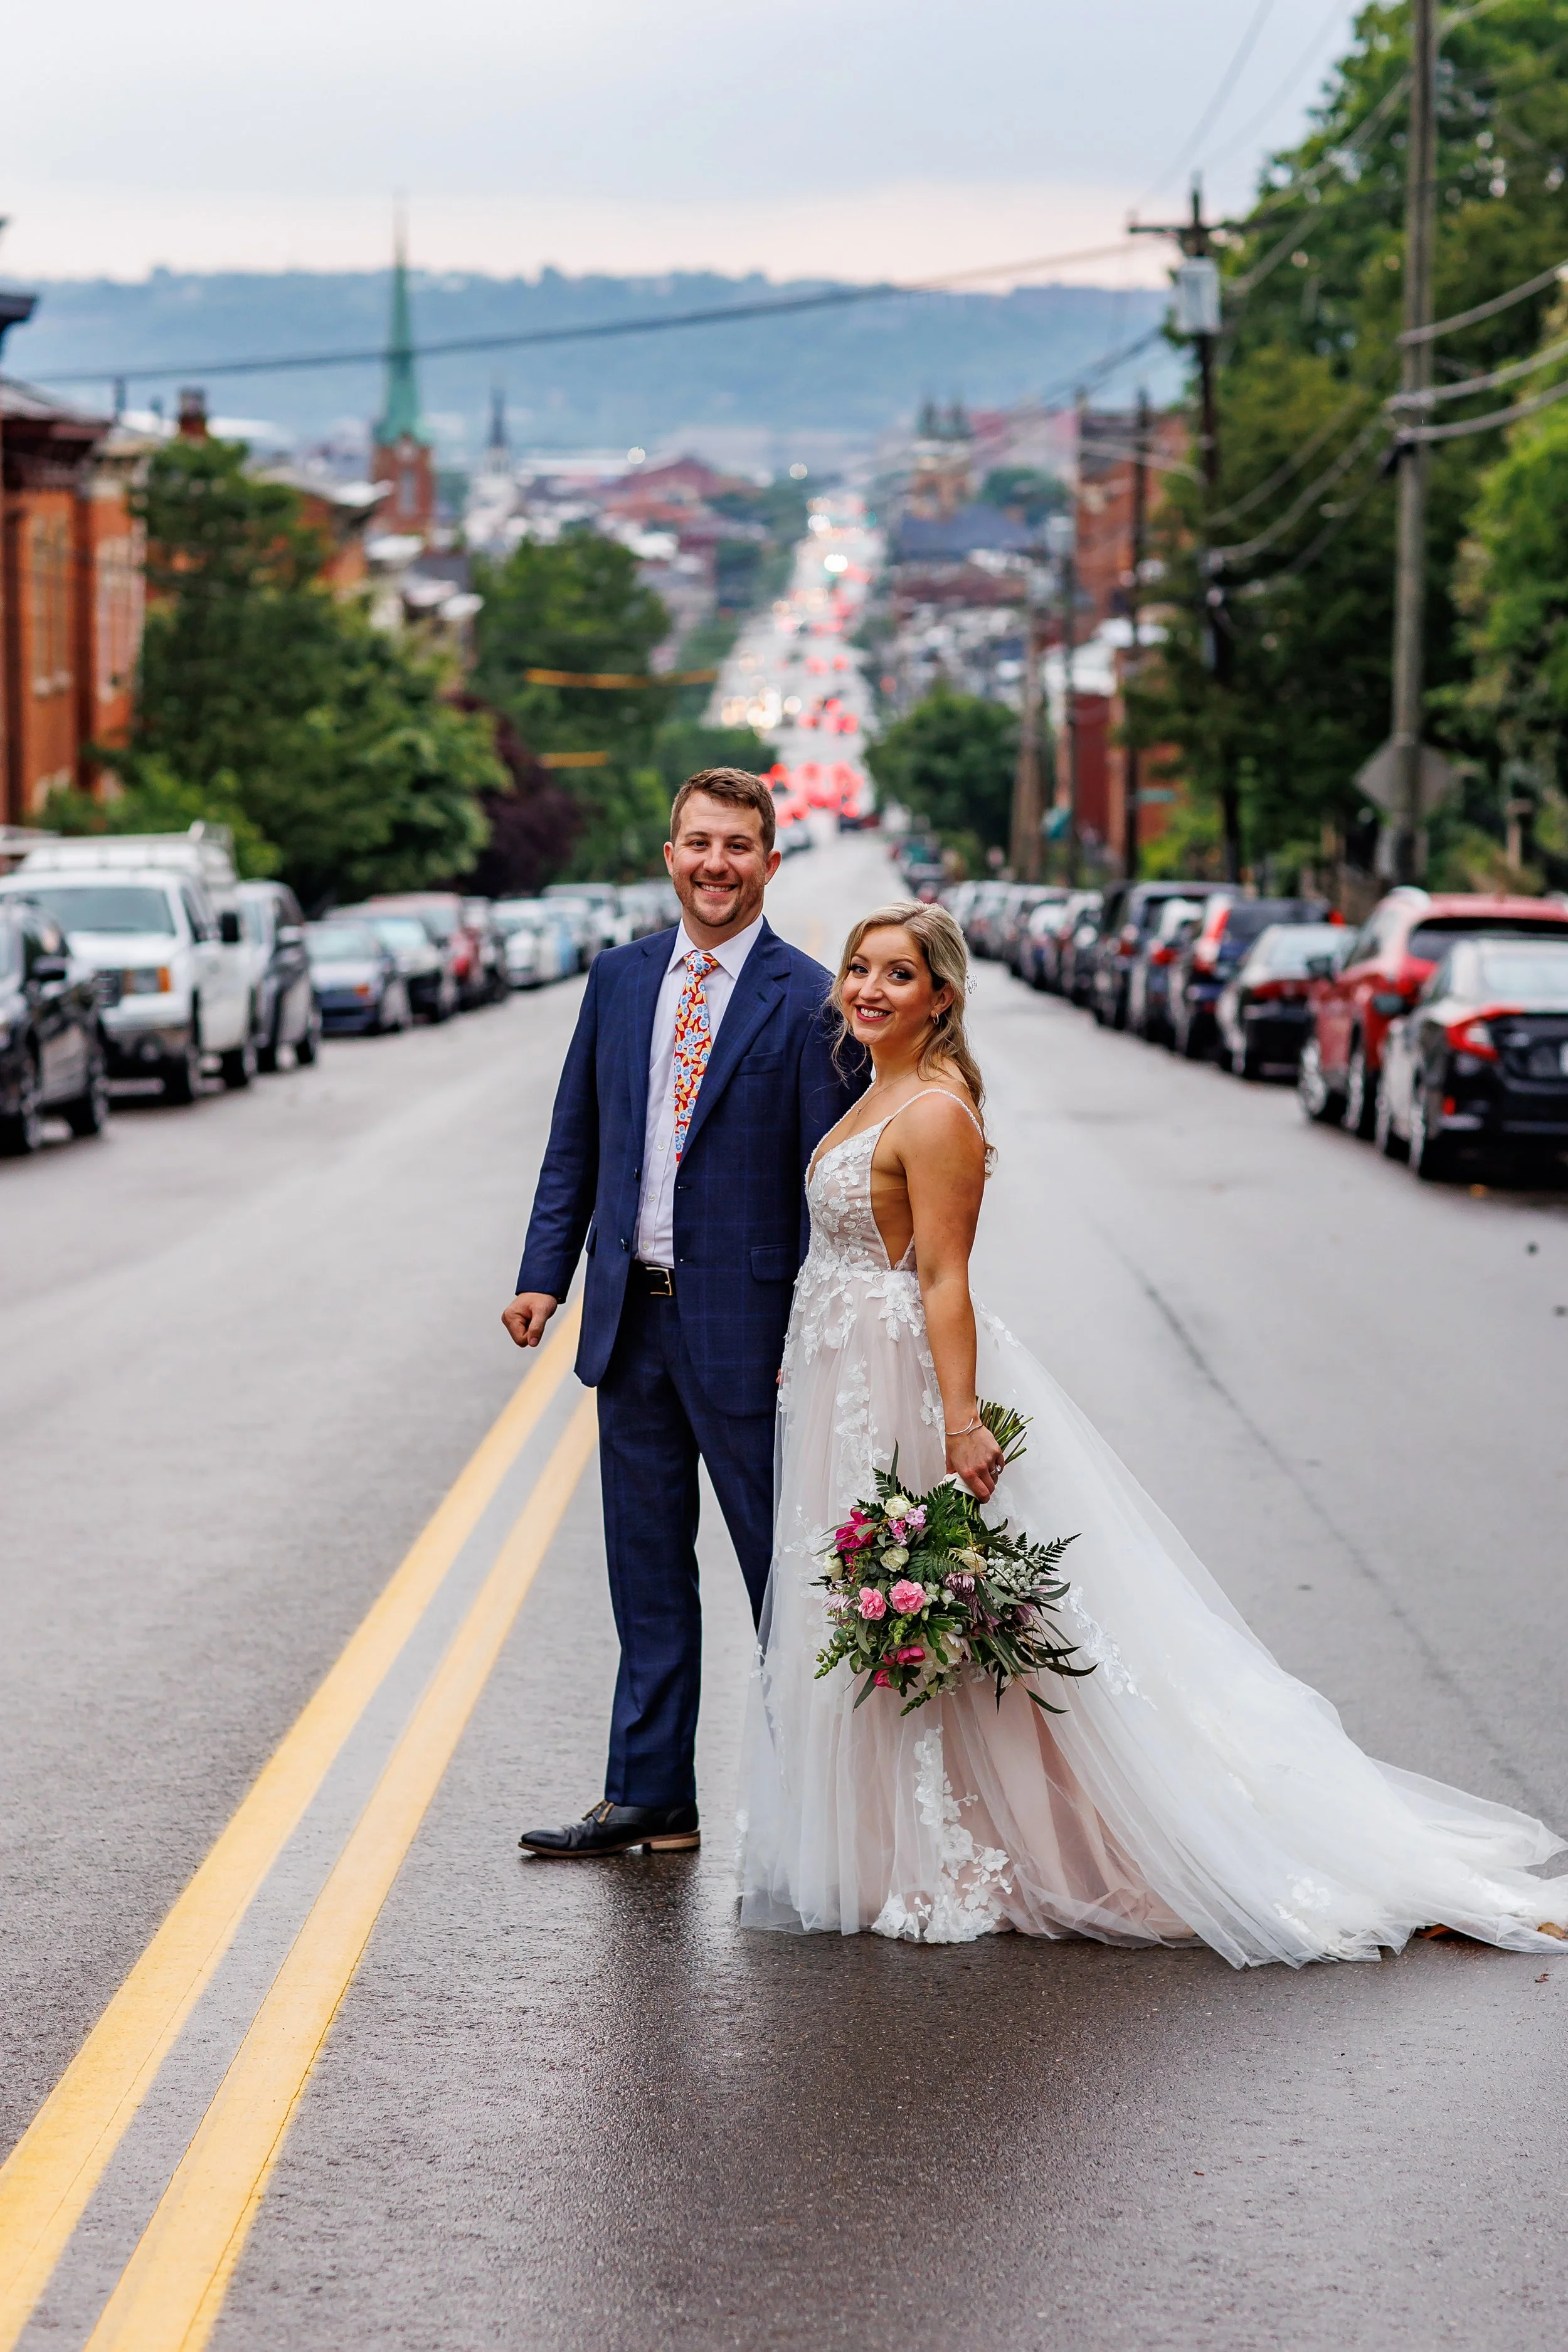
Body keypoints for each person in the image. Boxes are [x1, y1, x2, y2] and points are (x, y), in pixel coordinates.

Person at [736, 902, 1568, 1963]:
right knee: (873, 1606)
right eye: (859, 968)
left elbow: (943, 1278)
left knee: (949, 1610)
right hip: (841, 1368)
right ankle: (891, 1838)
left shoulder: (936, 1111)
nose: (868, 989)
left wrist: (958, 1422)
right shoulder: (874, 1089)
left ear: (941, 994)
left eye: (897, 975)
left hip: (900, 1381)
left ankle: (1025, 1839)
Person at [506, 769, 864, 1860]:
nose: (717, 864)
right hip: (632, 1325)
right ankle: (652, 1793)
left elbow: (829, 1185)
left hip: (752, 1337)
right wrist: (544, 1275)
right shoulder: (616, 981)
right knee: (647, 1570)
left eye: (739, 846)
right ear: (670, 855)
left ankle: (818, 1798)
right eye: (698, 843)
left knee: (782, 1575)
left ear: (768, 862)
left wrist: (809, 1337)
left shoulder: (808, 999)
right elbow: (578, 1136)